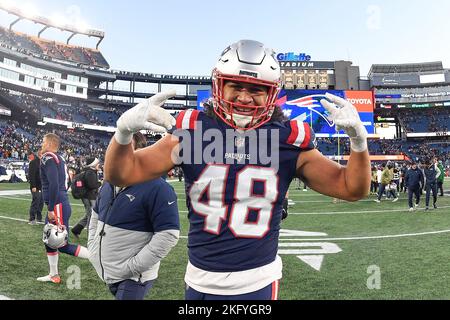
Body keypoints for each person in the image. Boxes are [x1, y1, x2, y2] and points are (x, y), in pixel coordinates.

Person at [104, 40, 371, 300]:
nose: (244, 97)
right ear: (219, 85)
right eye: (236, 86)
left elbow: (351, 188)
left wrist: (358, 142)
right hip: (198, 277)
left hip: (255, 281)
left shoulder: (288, 138)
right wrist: (124, 134)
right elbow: (122, 174)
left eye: (256, 89)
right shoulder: (191, 130)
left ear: (271, 94)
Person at [88, 132, 180, 300]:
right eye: (115, 146)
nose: (116, 151)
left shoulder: (158, 188)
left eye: (124, 147)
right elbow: (95, 215)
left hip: (133, 277)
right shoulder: (108, 183)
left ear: (139, 152)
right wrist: (93, 246)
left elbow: (168, 235)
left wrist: (132, 267)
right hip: (109, 270)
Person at [37, 133, 89, 284]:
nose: (42, 143)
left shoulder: (48, 157)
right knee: (49, 240)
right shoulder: (59, 158)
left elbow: (53, 183)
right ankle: (54, 275)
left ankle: (96, 257)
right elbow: (63, 184)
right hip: (60, 202)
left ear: (49, 142)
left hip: (57, 205)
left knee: (62, 245)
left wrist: (52, 207)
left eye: (43, 140)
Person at [71, 157, 102, 239]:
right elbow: (92, 185)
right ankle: (90, 236)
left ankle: (76, 229)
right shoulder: (90, 172)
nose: (99, 165)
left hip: (89, 197)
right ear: (94, 164)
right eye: (97, 163)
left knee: (89, 214)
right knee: (91, 216)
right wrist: (100, 183)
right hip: (89, 197)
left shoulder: (89, 171)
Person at [28, 150, 44, 225]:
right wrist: (33, 186)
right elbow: (31, 175)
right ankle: (32, 218)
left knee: (41, 202)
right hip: (36, 186)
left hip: (42, 186)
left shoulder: (43, 163)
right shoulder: (33, 162)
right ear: (39, 154)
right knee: (36, 202)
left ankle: (39, 217)